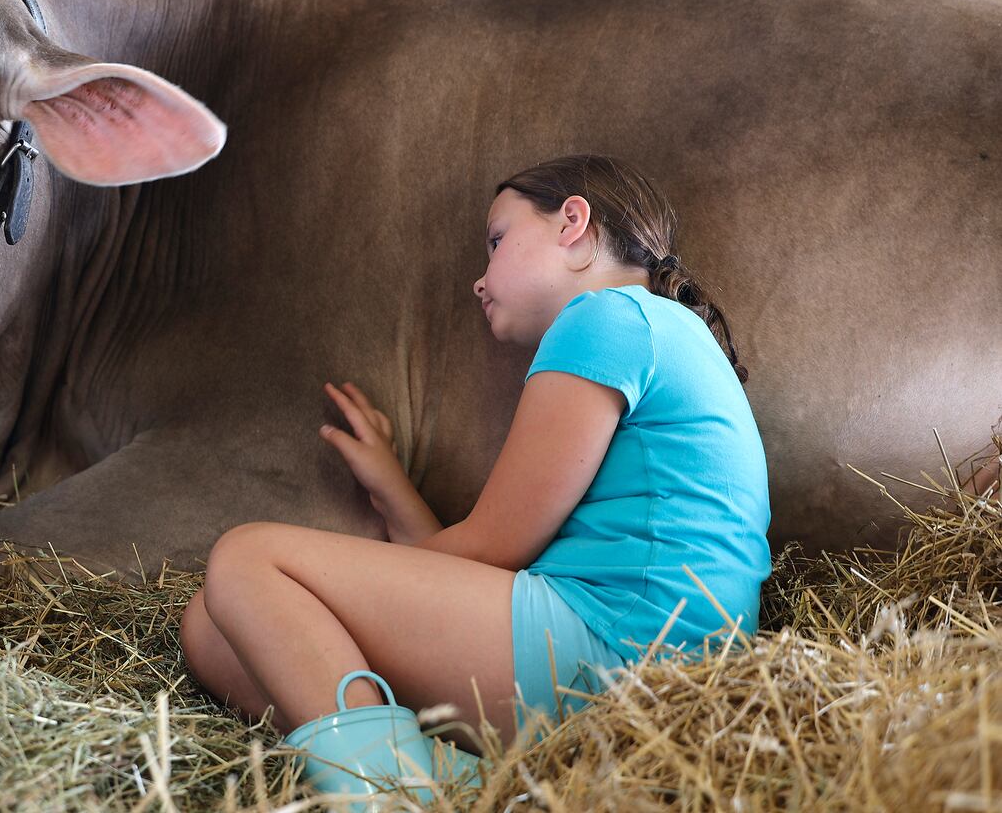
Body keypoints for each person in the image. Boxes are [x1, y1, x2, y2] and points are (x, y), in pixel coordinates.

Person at [178, 154, 772, 771]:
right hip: (651, 668)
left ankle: (391, 790)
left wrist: (334, 581)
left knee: (248, 559)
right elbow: (478, 570)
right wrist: (392, 487)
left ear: (573, 223)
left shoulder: (607, 317)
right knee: (214, 630)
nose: (479, 280)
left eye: (497, 241)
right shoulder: (656, 329)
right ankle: (461, 785)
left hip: (623, 650)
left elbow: (493, 547)